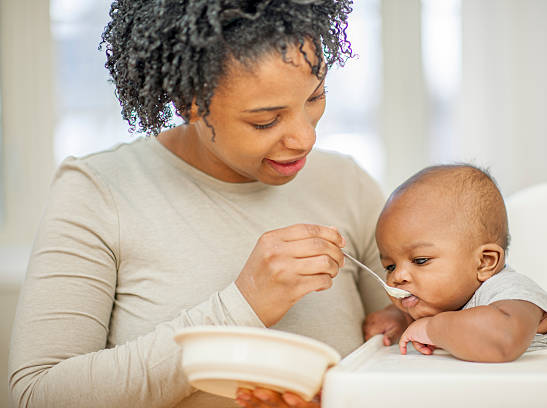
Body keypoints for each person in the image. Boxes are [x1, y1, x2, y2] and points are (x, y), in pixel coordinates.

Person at [8, 1, 408, 407]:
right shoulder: (99, 192)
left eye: (315, 98)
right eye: (265, 121)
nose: (305, 138)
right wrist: (242, 305)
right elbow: (38, 394)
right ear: (189, 102)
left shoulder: (347, 183)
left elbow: (415, 343)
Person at [376, 164, 547, 362]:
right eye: (390, 266)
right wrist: (397, 318)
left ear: (484, 262)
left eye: (420, 260)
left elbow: (501, 340)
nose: (398, 277)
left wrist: (431, 328)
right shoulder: (445, 301)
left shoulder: (510, 292)